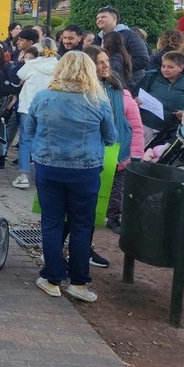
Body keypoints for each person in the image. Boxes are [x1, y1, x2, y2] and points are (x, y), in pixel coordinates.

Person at [27, 52, 117, 303]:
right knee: (82, 225)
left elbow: (30, 130)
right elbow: (111, 137)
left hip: (49, 166)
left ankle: (52, 277)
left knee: (52, 222)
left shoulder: (43, 97)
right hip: (85, 169)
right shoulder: (97, 100)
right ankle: (79, 281)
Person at [84, 47, 144, 236]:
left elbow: (134, 125)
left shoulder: (120, 91)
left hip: (119, 149)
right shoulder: (84, 92)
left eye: (107, 61)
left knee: (117, 189)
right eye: (100, 62)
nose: (106, 65)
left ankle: (113, 217)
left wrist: (136, 154)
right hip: (93, 150)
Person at [13, 38, 60, 190]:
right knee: (45, 141)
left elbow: (19, 75)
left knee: (26, 140)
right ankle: (42, 174)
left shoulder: (31, 64)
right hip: (50, 107)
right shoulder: (58, 65)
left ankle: (23, 175)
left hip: (28, 105)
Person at [137, 51, 184, 143]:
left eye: (170, 67)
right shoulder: (151, 76)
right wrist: (136, 100)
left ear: (181, 68)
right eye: (163, 66)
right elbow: (135, 95)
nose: (165, 70)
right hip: (147, 125)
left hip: (173, 131)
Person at [92, 6, 149, 91]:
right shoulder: (98, 38)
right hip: (106, 85)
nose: (99, 19)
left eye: (103, 17)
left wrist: (118, 67)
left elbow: (143, 60)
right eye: (97, 18)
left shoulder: (130, 35)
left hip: (130, 85)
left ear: (114, 19)